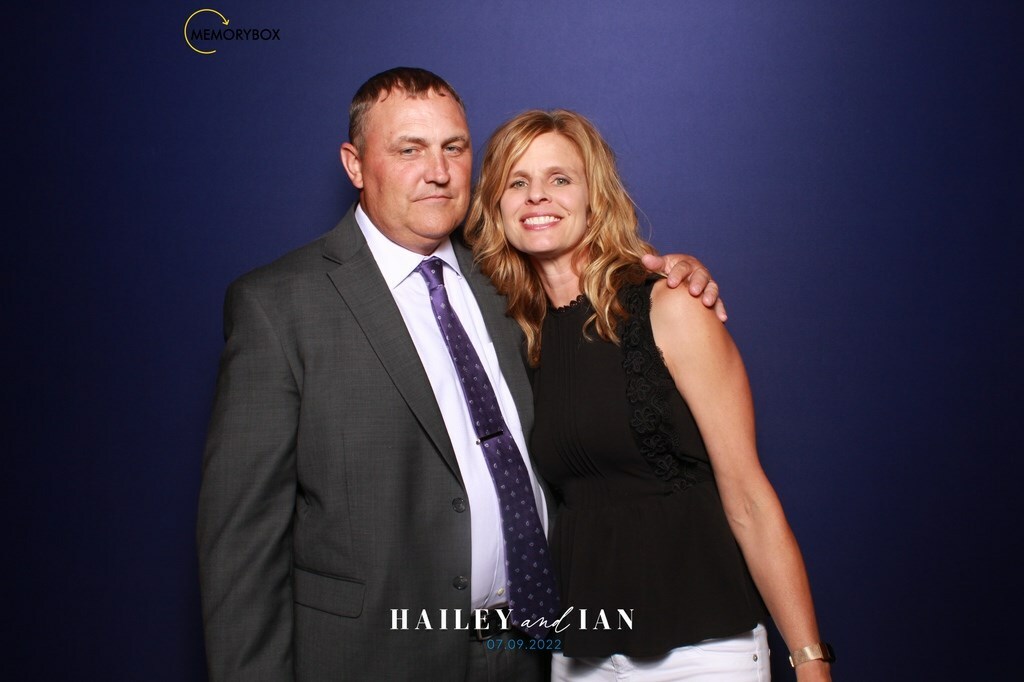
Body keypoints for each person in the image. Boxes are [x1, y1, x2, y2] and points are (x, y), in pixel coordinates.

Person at [197, 69, 721, 681]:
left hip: (532, 651)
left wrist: (668, 274)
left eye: (454, 147)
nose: (439, 172)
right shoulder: (280, 305)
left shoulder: (508, 274)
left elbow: (595, 280)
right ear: (355, 165)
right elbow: (242, 542)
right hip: (375, 658)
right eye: (409, 150)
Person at [465, 109, 832, 681]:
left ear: (594, 197)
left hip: (702, 651)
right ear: (495, 206)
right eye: (517, 182)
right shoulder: (516, 333)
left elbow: (749, 497)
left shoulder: (671, 306)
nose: (538, 196)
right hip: (581, 655)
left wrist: (810, 661)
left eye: (560, 178)